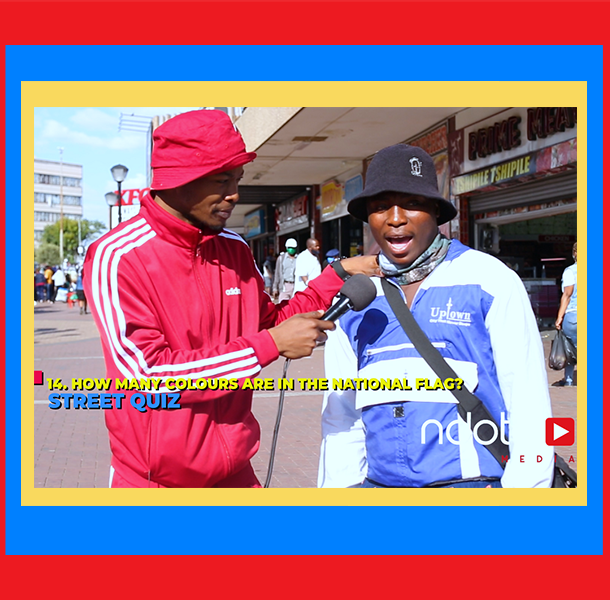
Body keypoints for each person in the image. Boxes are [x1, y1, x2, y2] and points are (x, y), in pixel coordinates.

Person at [84, 109, 380, 489]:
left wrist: (337, 276)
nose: (234, 194)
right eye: (222, 180)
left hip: (236, 473)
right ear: (178, 179)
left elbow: (270, 323)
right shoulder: (117, 256)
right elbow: (147, 376)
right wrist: (269, 345)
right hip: (154, 481)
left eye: (237, 179)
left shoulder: (234, 248)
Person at [318, 143, 554, 489]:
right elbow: (342, 415)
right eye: (380, 207)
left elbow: (528, 401)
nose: (395, 218)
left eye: (412, 204)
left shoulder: (488, 279)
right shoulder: (354, 298)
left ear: (436, 212)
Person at [554, 242, 577, 386]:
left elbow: (567, 295)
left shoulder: (570, 271)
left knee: (570, 348)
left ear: (574, 254)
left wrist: (559, 317)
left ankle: (569, 380)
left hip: (574, 315)